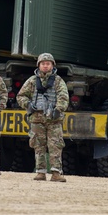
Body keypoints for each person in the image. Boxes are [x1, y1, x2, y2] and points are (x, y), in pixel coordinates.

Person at [16, 52, 69, 182]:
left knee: (55, 145)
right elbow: (21, 96)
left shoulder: (58, 81)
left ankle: (56, 172)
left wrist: (58, 109)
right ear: (39, 65)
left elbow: (63, 96)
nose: (45, 66)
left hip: (53, 118)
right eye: (43, 64)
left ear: (52, 65)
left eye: (48, 64)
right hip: (37, 118)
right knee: (38, 145)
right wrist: (28, 105)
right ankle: (40, 172)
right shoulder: (32, 81)